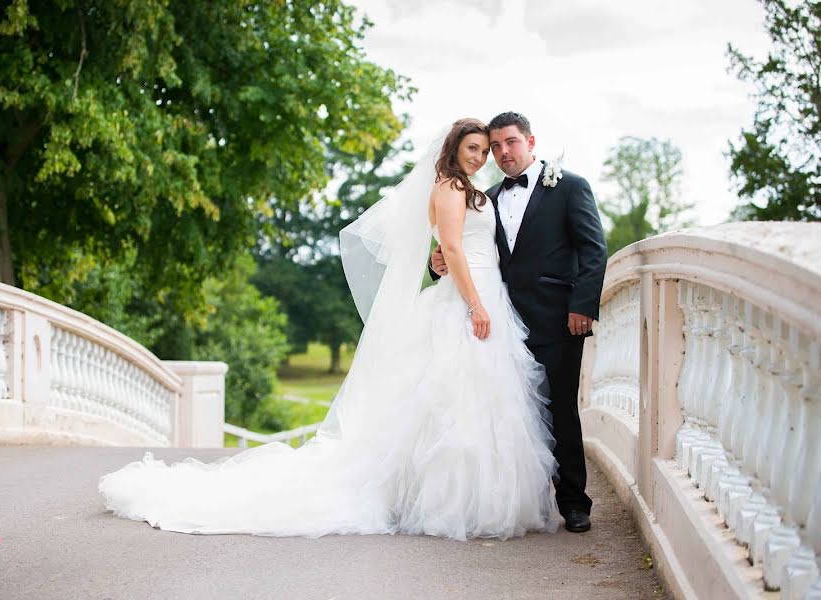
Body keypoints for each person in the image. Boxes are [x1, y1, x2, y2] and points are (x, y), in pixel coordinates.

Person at [98, 118, 560, 541]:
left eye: (486, 149)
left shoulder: (473, 189)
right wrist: (475, 304)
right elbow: (454, 251)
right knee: (455, 405)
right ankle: (453, 504)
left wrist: (450, 272)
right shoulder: (449, 188)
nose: (481, 156)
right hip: (468, 303)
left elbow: (456, 250)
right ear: (453, 150)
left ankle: (482, 502)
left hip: (485, 295)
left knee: (482, 404)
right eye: (474, 148)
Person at [431, 112, 608, 533]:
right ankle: (523, 501)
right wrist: (435, 262)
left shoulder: (569, 186)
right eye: (495, 146)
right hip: (500, 320)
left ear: (531, 141)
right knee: (510, 414)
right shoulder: (486, 196)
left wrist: (583, 305)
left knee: (560, 408)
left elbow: (593, 248)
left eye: (510, 142)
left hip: (557, 318)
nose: (502, 152)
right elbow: (463, 248)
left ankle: (573, 503)